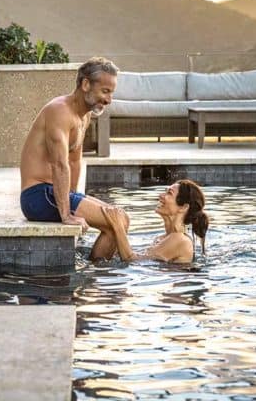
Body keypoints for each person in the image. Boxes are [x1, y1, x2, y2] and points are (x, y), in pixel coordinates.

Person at [19, 56, 129, 260]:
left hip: (54, 193)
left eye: (111, 93)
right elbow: (59, 164)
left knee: (120, 218)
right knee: (116, 221)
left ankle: (95, 270)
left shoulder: (83, 116)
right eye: (105, 91)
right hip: (38, 196)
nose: (109, 100)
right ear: (86, 84)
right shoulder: (59, 111)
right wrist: (66, 214)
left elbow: (74, 161)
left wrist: (74, 197)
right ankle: (94, 273)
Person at [99, 179, 209, 264]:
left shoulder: (180, 239)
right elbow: (138, 259)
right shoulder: (162, 238)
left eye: (169, 193)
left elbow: (132, 261)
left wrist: (118, 226)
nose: (160, 196)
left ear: (183, 207)